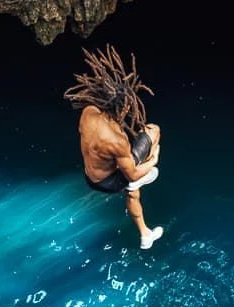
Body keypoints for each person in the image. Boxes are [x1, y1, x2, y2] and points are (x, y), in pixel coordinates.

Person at [64, 46, 165, 249]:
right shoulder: (117, 142)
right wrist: (153, 159)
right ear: (124, 106)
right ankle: (145, 231)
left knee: (128, 172)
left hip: (90, 175)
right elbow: (133, 174)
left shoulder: (88, 111)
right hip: (109, 181)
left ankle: (145, 234)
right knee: (153, 132)